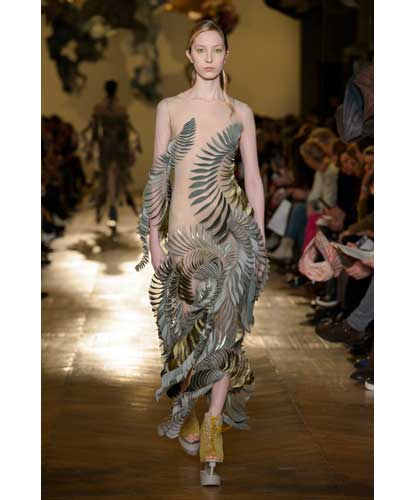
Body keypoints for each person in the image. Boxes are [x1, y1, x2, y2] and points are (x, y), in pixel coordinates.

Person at [135, 19, 268, 487]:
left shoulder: (240, 112)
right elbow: (160, 173)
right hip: (184, 237)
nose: (209, 58)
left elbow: (253, 177)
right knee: (183, 334)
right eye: (201, 50)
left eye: (216, 50)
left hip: (231, 234)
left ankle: (213, 430)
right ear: (189, 56)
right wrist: (154, 236)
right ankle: (189, 411)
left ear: (226, 55)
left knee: (224, 335)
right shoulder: (170, 108)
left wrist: (258, 238)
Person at [81, 79, 142, 239]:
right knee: (118, 180)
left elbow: (95, 132)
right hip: (116, 149)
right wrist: (131, 149)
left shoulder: (100, 108)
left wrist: (90, 149)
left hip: (106, 149)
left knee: (107, 181)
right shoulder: (120, 109)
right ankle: (115, 212)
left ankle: (106, 212)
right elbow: (125, 131)